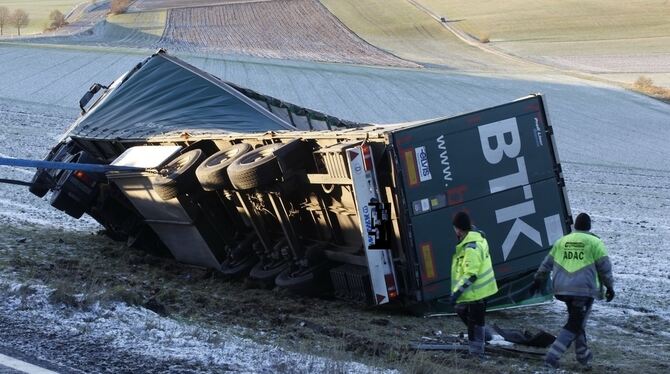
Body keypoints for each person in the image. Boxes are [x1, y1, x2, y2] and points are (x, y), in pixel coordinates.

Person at [530, 213, 615, 369]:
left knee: (577, 322)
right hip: (583, 290)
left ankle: (583, 357)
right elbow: (604, 268)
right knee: (575, 323)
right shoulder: (595, 242)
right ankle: (552, 356)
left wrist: (537, 280)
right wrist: (610, 287)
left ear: (575, 226)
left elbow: (546, 264)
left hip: (563, 288)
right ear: (589, 227)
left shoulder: (562, 241)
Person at [449, 211, 498, 357]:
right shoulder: (474, 239)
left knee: (474, 322)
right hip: (477, 291)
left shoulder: (471, 247)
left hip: (477, 291)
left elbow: (471, 274)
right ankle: (482, 341)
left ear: (458, 228)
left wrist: (457, 292)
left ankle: (476, 353)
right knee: (470, 317)